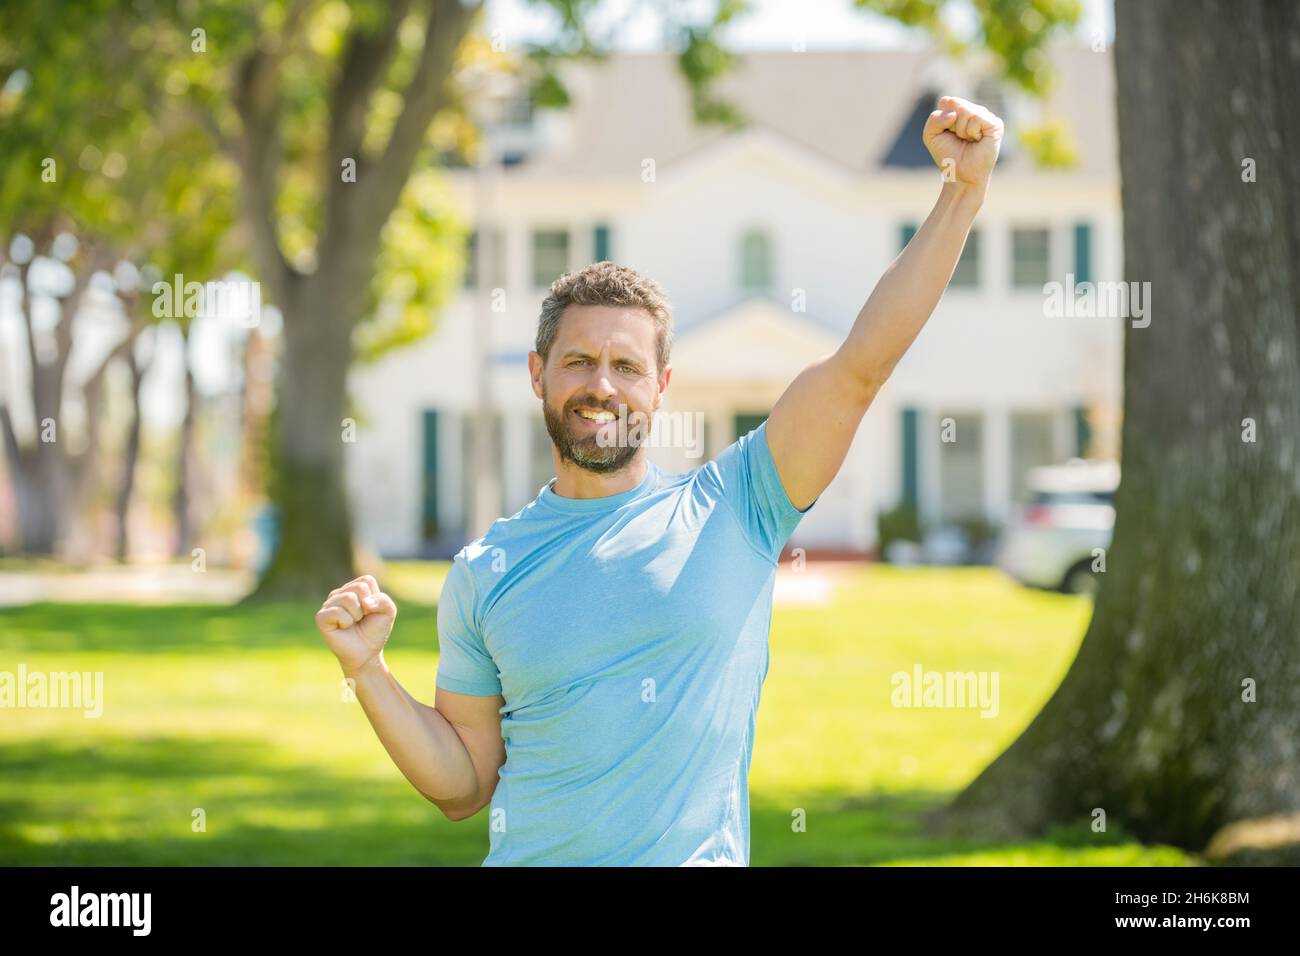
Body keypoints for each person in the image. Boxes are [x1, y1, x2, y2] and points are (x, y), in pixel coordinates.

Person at [315, 96, 1003, 865]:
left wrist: (961, 194)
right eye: (578, 361)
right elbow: (463, 785)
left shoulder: (740, 504)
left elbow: (859, 367)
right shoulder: (485, 572)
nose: (601, 385)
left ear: (661, 384)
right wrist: (367, 671)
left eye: (625, 366)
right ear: (539, 375)